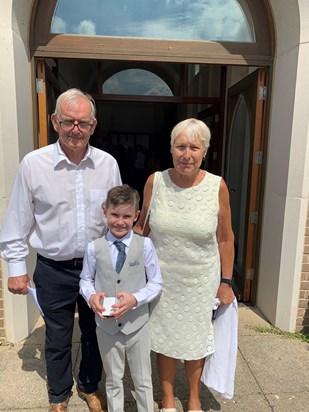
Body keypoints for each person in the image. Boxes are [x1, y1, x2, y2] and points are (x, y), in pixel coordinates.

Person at [0, 88, 122, 412]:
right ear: (55, 121)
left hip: (96, 267)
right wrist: (16, 268)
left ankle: (89, 386)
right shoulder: (33, 165)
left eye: (83, 123)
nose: (76, 129)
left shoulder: (108, 165)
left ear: (94, 126)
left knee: (96, 332)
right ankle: (58, 395)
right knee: (57, 336)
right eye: (69, 121)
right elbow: (16, 222)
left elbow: (117, 218)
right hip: (53, 269)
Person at [134, 118, 235, 412]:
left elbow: (225, 238)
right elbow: (143, 228)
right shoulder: (156, 181)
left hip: (200, 278)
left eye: (194, 147)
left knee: (195, 339)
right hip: (162, 278)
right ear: (171, 149)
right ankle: (166, 399)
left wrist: (225, 282)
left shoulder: (217, 186)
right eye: (180, 146)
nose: (186, 154)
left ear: (204, 151)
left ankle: (193, 399)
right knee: (164, 338)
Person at [80, 184, 163, 412]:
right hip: (106, 327)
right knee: (113, 379)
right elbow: (85, 280)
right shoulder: (93, 248)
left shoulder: (145, 245)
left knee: (143, 380)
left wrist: (135, 299)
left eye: (127, 216)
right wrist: (91, 297)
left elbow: (156, 282)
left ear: (136, 216)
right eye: (114, 215)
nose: (120, 221)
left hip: (137, 326)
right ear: (104, 211)